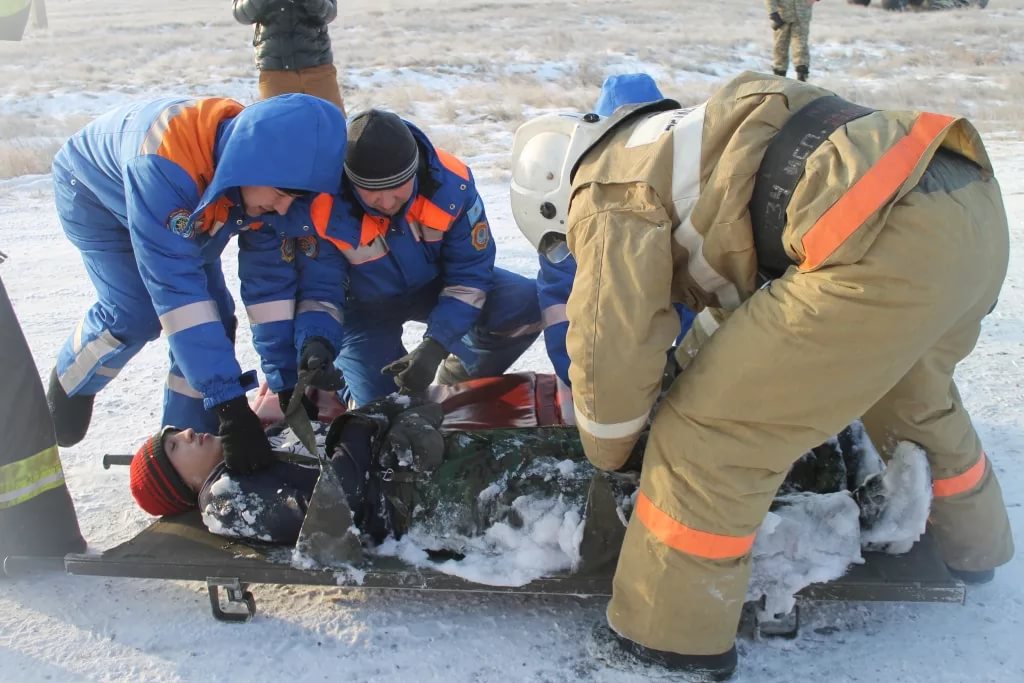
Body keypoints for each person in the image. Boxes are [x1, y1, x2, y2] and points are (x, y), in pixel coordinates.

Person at [508, 70, 1014, 679]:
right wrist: (687, 366)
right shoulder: (676, 140)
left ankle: (667, 638)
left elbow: (609, 369)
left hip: (874, 237)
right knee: (912, 394)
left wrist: (614, 448)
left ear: (552, 199)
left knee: (707, 438)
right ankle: (972, 547)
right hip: (963, 202)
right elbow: (743, 312)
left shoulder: (607, 191)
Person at [46, 94, 348, 476]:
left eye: (295, 199)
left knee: (215, 322)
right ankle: (72, 377)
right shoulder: (166, 163)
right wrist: (230, 407)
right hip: (95, 194)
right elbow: (177, 293)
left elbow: (270, 289)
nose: (285, 208)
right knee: (138, 313)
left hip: (191, 204)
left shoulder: (265, 183)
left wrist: (287, 382)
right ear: (252, 163)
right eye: (281, 196)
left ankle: (190, 452)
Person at [290, 109, 542, 406]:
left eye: (396, 189)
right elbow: (320, 290)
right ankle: (351, 392)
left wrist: (436, 346)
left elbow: (470, 276)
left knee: (525, 303)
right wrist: (316, 340)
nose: (385, 202)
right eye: (369, 191)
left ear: (415, 170)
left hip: (434, 286)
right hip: (362, 309)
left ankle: (459, 379)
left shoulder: (452, 185)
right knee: (384, 408)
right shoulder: (323, 202)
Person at [514, 73, 695, 389]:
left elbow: (699, 297)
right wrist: (581, 378)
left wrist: (684, 366)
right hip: (598, 360)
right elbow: (561, 301)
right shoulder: (575, 202)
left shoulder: (684, 193)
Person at [232, 0, 345, 113]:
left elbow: (330, 13)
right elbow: (241, 14)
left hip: (318, 70)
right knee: (278, 127)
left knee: (334, 124)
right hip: (275, 72)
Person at [766, 0, 819, 81]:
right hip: (782, 18)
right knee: (780, 47)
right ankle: (779, 78)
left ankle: (802, 78)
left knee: (801, 47)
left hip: (802, 16)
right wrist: (773, 13)